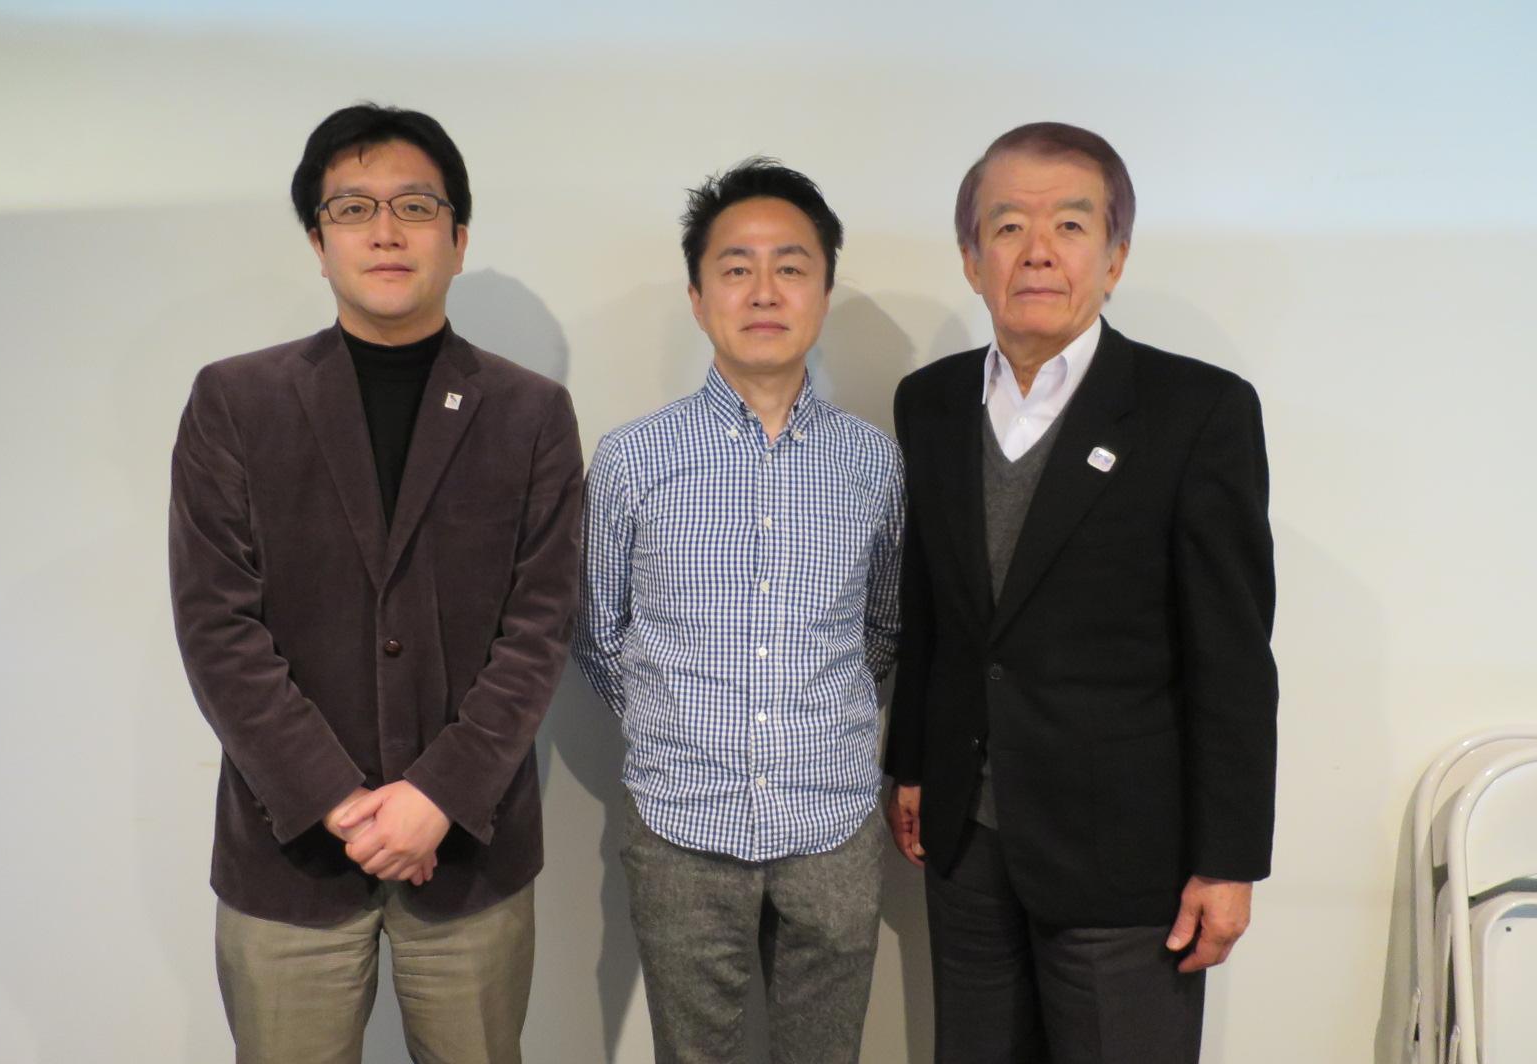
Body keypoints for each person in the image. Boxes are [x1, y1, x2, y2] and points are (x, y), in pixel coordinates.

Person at [168, 103, 582, 1063]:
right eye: (353, 208)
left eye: (415, 206)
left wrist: (436, 795)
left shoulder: (530, 413)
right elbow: (217, 627)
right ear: (319, 242)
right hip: (290, 854)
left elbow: (540, 628)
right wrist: (339, 802)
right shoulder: (236, 401)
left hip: (469, 850)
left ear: (458, 237)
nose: (386, 231)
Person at [884, 122, 1277, 1064]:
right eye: (1007, 227)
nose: (1038, 251)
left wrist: (1228, 861)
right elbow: (929, 603)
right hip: (967, 843)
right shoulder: (929, 403)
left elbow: (1231, 656)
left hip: (1125, 856)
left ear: (1115, 257)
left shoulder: (1198, 411)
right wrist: (914, 762)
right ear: (972, 259)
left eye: (1069, 224)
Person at [572, 158, 904, 1064]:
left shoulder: (873, 463)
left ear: (824, 292)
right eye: (736, 267)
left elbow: (883, 629)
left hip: (833, 823)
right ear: (697, 296)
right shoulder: (634, 459)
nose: (764, 291)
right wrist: (676, 722)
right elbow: (597, 632)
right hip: (679, 821)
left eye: (791, 267)